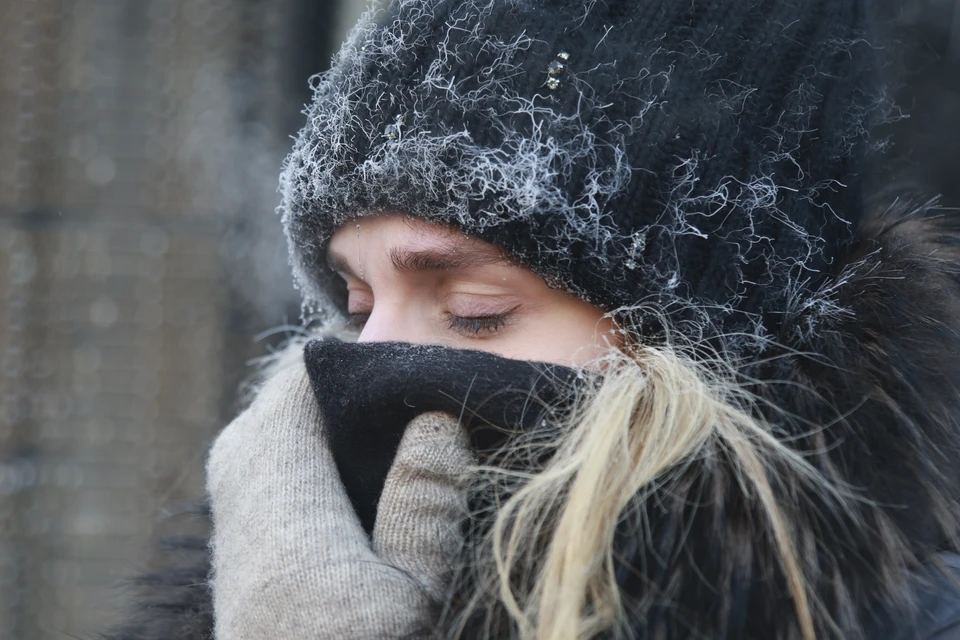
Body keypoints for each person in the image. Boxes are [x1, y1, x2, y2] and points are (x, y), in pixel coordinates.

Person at [105, 0, 960, 638]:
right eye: (356, 306)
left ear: (706, 340)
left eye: (477, 314)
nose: (368, 365)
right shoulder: (246, 574)